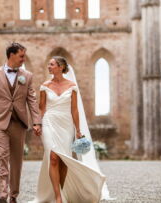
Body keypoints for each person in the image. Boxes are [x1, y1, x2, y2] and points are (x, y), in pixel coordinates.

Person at [29, 56, 114, 203]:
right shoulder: (44, 86)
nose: (49, 67)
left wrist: (78, 130)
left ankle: (62, 190)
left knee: (64, 159)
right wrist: (37, 123)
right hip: (49, 120)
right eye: (48, 64)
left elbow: (75, 110)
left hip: (66, 124)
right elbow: (41, 108)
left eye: (52, 64)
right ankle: (58, 197)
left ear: (61, 67)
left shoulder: (72, 86)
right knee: (53, 157)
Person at [0, 42, 42, 203]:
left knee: (17, 161)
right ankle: (2, 195)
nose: (23, 59)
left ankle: (13, 195)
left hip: (18, 124)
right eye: (21, 56)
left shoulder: (27, 76)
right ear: (11, 55)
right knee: (2, 157)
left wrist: (37, 122)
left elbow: (32, 101)